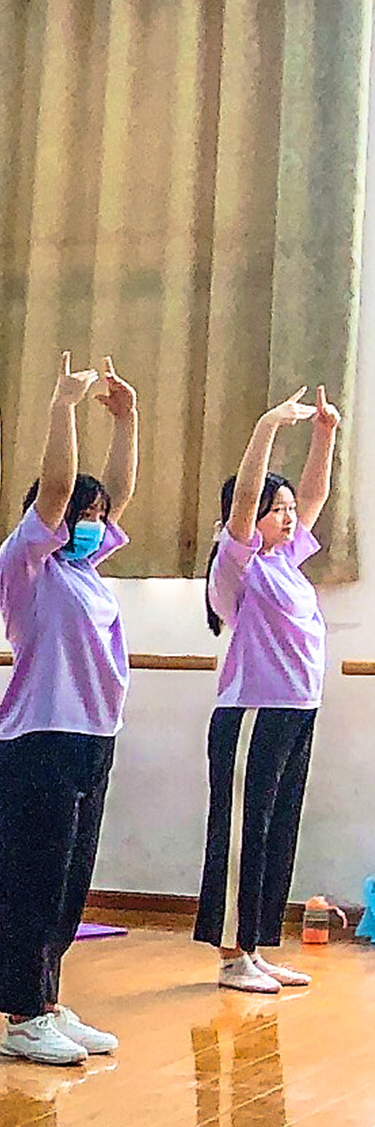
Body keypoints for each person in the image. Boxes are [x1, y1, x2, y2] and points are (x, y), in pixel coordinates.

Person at [0, 355, 139, 1064]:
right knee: (33, 885)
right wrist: (63, 408)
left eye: (97, 518)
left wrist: (127, 421)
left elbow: (121, 494)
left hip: (90, 741)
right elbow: (55, 492)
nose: (91, 525)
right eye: (81, 515)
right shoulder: (26, 567)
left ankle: (46, 998)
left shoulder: (85, 572)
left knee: (69, 885)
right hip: (37, 743)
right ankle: (20, 1014)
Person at [202, 387, 336, 993]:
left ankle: (253, 948)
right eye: (274, 508)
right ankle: (231, 955)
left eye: (287, 510)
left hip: (296, 712)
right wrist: (267, 427)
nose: (286, 515)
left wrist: (325, 434)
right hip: (252, 713)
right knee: (243, 832)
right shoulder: (241, 565)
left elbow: (314, 495)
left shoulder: (288, 562)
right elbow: (247, 500)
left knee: (277, 829)